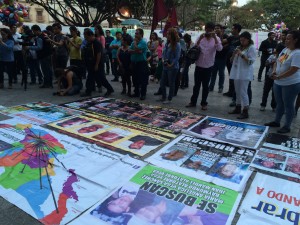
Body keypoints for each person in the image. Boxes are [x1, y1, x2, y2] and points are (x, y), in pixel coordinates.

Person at [265, 30, 300, 134]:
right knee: (279, 103)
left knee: (288, 105)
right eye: (286, 38)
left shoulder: (297, 53)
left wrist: (279, 77)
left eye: (289, 38)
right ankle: (277, 121)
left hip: (291, 84)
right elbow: (277, 61)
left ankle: (287, 126)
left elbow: (293, 69)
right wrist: (275, 72)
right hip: (278, 82)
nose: (285, 40)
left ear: (296, 40)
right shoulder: (286, 50)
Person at [185, 22, 223, 111]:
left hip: (208, 66)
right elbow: (194, 47)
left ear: (213, 30)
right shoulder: (201, 37)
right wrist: (199, 39)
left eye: (210, 30)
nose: (208, 32)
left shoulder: (216, 38)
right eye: (206, 30)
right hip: (199, 65)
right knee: (196, 85)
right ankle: (193, 102)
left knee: (206, 86)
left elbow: (220, 49)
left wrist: (215, 38)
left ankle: (204, 103)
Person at [228, 31, 256, 119]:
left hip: (245, 73)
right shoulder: (239, 47)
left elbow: (251, 61)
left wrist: (241, 54)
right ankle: (238, 107)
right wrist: (233, 54)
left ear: (248, 40)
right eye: (241, 40)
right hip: (237, 72)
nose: (242, 42)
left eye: (243, 40)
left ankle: (245, 111)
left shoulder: (251, 48)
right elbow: (231, 61)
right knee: (237, 91)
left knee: (244, 92)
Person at [80, 29, 114, 97]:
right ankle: (88, 91)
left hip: (98, 64)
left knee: (101, 78)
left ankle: (110, 89)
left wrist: (96, 65)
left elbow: (99, 54)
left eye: (86, 36)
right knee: (90, 78)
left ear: (90, 35)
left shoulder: (97, 43)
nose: (85, 38)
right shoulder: (89, 42)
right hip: (91, 64)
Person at [157, 28, 181, 104]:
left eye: (168, 34)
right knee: (162, 82)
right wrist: (163, 60)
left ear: (172, 35)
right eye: (167, 34)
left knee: (171, 83)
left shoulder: (177, 45)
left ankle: (169, 98)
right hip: (165, 66)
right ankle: (163, 96)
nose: (167, 35)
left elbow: (177, 57)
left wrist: (171, 64)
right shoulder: (167, 44)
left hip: (173, 67)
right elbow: (164, 54)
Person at [129, 28, 149, 100]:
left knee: (143, 79)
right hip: (134, 63)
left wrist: (135, 46)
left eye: (137, 33)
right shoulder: (133, 42)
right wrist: (136, 50)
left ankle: (143, 94)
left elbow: (138, 50)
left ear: (141, 34)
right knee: (135, 78)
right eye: (135, 33)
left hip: (142, 63)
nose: (135, 34)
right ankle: (136, 92)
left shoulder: (143, 42)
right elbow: (129, 50)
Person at [223, 23, 242, 98]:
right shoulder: (231, 37)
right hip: (229, 59)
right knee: (230, 75)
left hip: (237, 60)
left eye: (233, 28)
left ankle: (235, 92)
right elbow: (222, 41)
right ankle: (230, 91)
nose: (231, 30)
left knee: (235, 76)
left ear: (237, 29)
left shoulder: (241, 38)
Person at [209, 24, 229, 93]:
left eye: (217, 28)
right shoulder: (213, 36)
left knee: (221, 73)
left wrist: (221, 46)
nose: (216, 29)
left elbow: (226, 47)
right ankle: (211, 87)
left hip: (222, 58)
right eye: (215, 28)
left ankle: (220, 87)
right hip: (214, 57)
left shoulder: (226, 36)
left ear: (221, 29)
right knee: (213, 73)